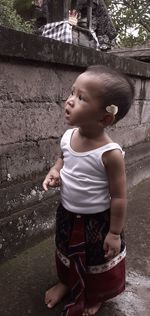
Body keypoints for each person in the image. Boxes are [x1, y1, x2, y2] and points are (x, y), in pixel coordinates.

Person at [43, 65, 134, 316]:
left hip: (98, 220)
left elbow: (119, 196)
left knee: (98, 261)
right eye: (72, 92)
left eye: (81, 98)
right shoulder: (68, 135)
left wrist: (114, 233)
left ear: (105, 118)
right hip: (67, 213)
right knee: (64, 250)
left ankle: (96, 295)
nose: (70, 101)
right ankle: (66, 282)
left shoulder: (110, 154)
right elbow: (63, 158)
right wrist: (55, 171)